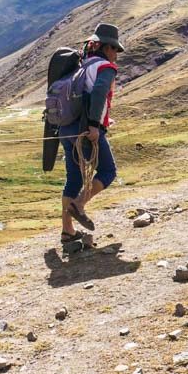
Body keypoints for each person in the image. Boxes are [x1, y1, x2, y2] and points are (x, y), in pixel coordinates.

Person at [58, 23, 123, 244]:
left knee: (73, 178)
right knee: (108, 171)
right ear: (105, 48)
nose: (116, 54)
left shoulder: (82, 65)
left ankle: (68, 231)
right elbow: (98, 94)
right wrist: (95, 125)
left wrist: (103, 119)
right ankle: (80, 204)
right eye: (114, 49)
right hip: (85, 130)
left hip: (66, 129)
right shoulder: (105, 67)